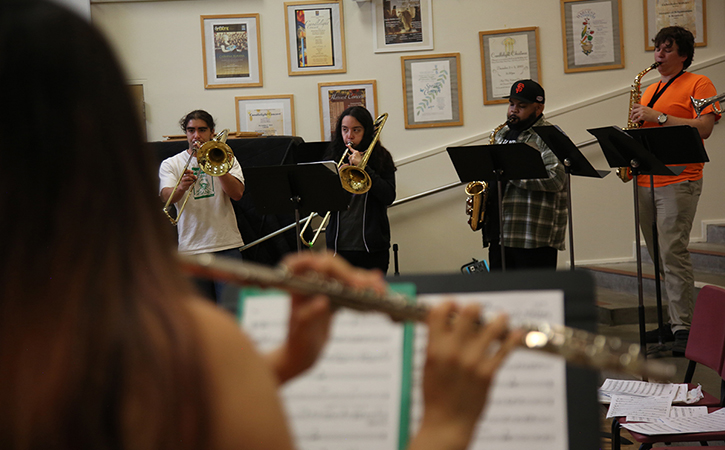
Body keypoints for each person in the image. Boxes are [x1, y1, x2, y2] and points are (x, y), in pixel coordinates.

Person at [0, 2, 521, 449]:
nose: (198, 138)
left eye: (353, 127)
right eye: (192, 132)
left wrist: (278, 366)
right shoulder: (170, 341)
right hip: (200, 253)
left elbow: (181, 417)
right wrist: (448, 424)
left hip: (245, 246)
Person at [630, 26, 720, 356]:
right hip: (646, 180)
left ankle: (685, 327)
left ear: (683, 54)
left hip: (679, 180)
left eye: (667, 49)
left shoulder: (700, 84)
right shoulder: (648, 88)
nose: (659, 55)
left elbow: (705, 128)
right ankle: (673, 319)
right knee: (658, 255)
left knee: (673, 253)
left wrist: (660, 116)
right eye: (657, 48)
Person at [159, 109, 246, 302]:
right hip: (191, 248)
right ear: (186, 133)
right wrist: (181, 187)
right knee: (199, 315)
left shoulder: (226, 157)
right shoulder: (171, 164)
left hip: (226, 245)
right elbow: (166, 197)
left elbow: (237, 194)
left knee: (231, 310)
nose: (196, 135)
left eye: (202, 130)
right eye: (191, 130)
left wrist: (219, 167)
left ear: (212, 132)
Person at [482, 80, 568, 270]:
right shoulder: (501, 134)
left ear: (538, 108)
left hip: (532, 235)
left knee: (535, 295)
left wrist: (509, 174)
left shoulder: (548, 135)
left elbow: (556, 179)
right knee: (499, 295)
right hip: (500, 231)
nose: (514, 110)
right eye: (512, 104)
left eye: (522, 106)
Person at [324, 106, 397, 274]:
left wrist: (364, 168)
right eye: (344, 130)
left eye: (356, 130)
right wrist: (336, 181)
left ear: (366, 130)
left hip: (372, 249)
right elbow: (323, 211)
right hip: (338, 248)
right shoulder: (333, 157)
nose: (349, 136)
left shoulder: (381, 157)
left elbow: (388, 196)